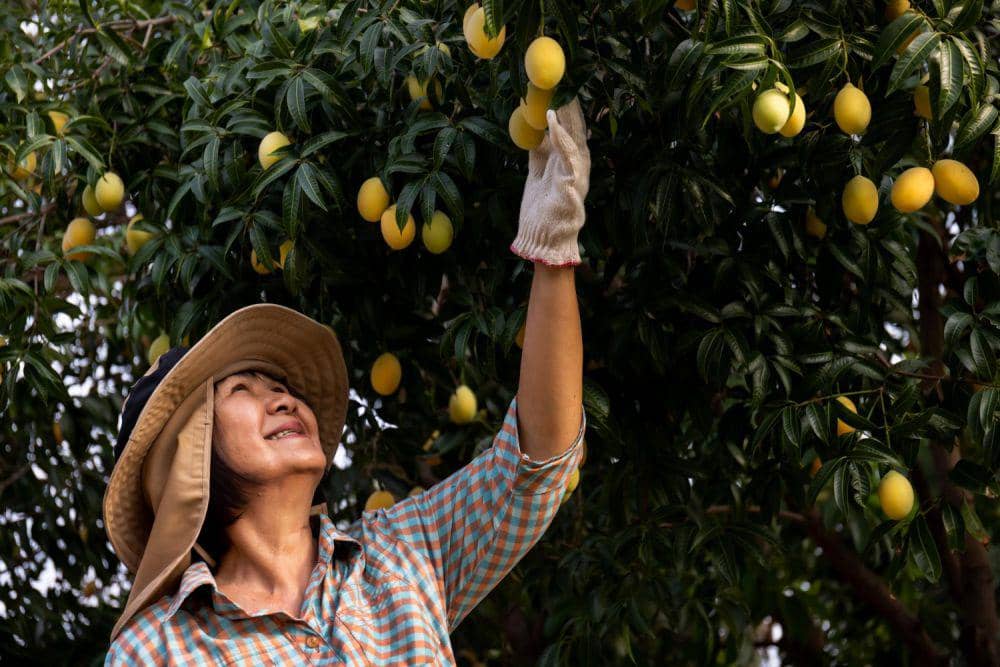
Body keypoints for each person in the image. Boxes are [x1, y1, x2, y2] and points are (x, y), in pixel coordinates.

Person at [104, 97, 591, 665]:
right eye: (242, 390)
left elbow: (536, 461)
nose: (283, 399)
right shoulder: (158, 649)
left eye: (280, 387)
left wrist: (551, 248)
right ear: (190, 459)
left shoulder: (401, 552)